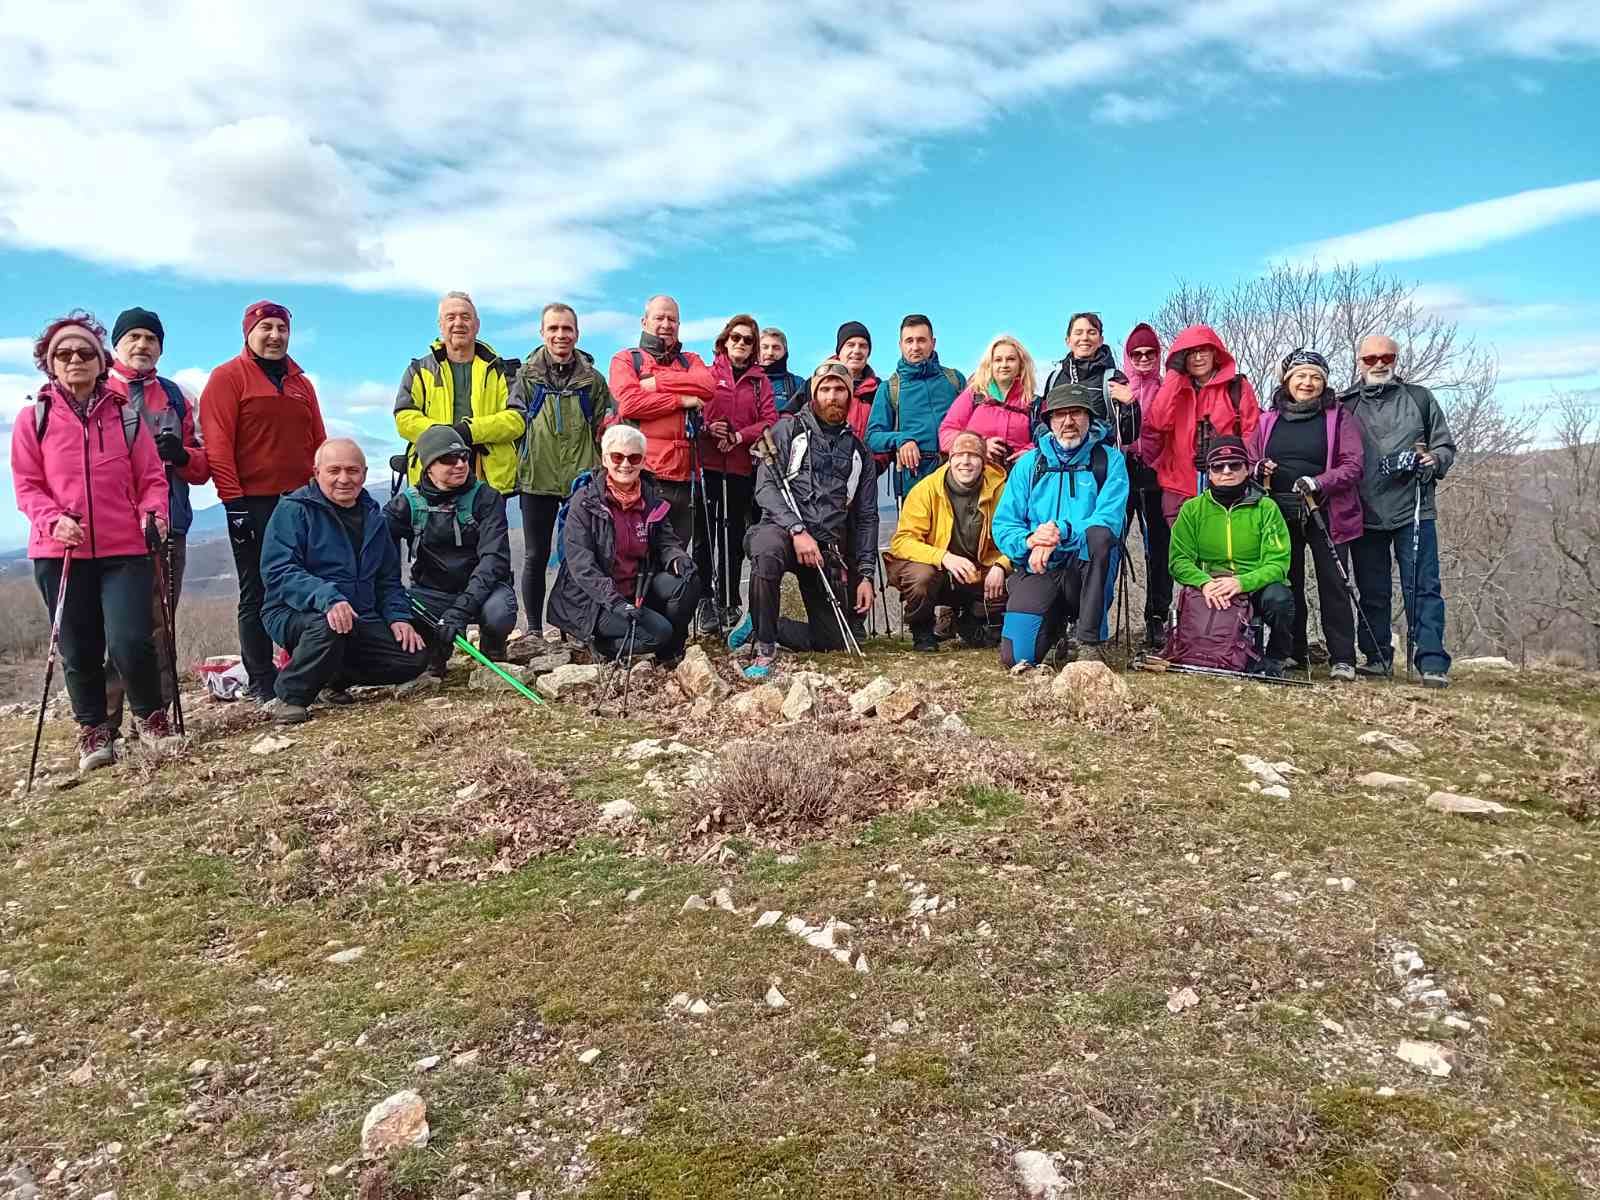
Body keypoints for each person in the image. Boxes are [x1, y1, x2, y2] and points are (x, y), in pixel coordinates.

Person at [10, 311, 177, 769]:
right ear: (50, 364)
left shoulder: (125, 416)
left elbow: (151, 479)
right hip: (60, 550)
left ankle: (151, 718)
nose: (75, 360)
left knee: (130, 639)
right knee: (78, 646)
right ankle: (94, 730)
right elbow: (26, 485)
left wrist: (153, 515)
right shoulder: (33, 419)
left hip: (124, 547)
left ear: (101, 361)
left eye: (85, 352)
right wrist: (51, 520)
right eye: (63, 354)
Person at [200, 301, 328, 704]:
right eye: (266, 328)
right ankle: (260, 678)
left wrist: (322, 489)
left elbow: (318, 439)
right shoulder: (227, 378)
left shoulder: (300, 383)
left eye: (282, 328)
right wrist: (232, 502)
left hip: (301, 500)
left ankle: (302, 665)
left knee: (304, 581)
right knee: (256, 588)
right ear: (248, 333)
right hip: (251, 501)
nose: (275, 335)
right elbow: (218, 445)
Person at [259, 439, 428, 723]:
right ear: (317, 473)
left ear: (363, 473)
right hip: (294, 612)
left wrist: (398, 617)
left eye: (352, 470)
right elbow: (279, 571)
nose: (343, 479)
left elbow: (387, 580)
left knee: (415, 655)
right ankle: (291, 695)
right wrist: (328, 598)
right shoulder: (294, 510)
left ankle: (332, 678)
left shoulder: (375, 518)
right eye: (334, 470)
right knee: (329, 627)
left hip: (359, 615)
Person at [729, 360, 878, 681]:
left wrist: (866, 574)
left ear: (850, 397)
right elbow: (765, 488)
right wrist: (796, 530)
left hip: (824, 544)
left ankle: (765, 620)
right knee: (767, 551)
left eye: (840, 389)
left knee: (833, 641)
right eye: (825, 389)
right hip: (779, 530)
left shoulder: (859, 452)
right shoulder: (786, 431)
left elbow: (866, 516)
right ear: (814, 394)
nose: (833, 396)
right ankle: (764, 647)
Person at [104, 306, 210, 726]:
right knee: (111, 626)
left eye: (151, 339)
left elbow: (204, 467)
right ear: (117, 345)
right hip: (108, 529)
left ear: (161, 349)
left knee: (159, 623)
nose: (142, 345)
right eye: (134, 338)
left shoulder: (178, 397)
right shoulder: (94, 392)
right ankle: (105, 722)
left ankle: (156, 717)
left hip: (168, 525)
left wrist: (181, 456)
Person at [1340, 335, 1456, 687]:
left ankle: (1432, 661)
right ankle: (1377, 656)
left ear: (1396, 359)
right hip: (1365, 509)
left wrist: (1434, 460)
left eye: (1386, 356)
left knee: (1422, 586)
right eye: (1371, 357)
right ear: (1359, 362)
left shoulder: (1420, 399)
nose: (1379, 363)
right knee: (1372, 589)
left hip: (1415, 508)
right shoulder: (1345, 405)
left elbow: (1444, 445)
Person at [992, 383, 1129, 668]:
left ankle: (1089, 641)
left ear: (1089, 418)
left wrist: (1060, 531)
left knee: (1100, 537)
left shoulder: (1109, 461)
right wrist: (1031, 540)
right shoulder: (1029, 464)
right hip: (1039, 565)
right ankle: (1055, 630)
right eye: (1059, 415)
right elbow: (1005, 524)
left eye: (1076, 413)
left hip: (1084, 566)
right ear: (1049, 422)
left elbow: (1108, 518)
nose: (1068, 422)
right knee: (1016, 658)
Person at [1247, 349, 1364, 680]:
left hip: (1325, 510)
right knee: (1288, 581)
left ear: (1324, 382)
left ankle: (1343, 656)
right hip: (1279, 511)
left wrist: (1319, 482)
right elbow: (1252, 456)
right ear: (1287, 381)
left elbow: (1353, 465)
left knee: (1333, 583)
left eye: (1315, 377)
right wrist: (1259, 467)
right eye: (1300, 376)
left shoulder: (1338, 418)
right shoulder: (1268, 420)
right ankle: (1291, 652)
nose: (1307, 383)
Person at [547, 425, 701, 663]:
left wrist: (677, 558)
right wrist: (616, 603)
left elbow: (665, 540)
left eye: (634, 457)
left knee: (687, 583)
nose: (625, 464)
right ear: (605, 459)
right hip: (596, 601)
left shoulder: (650, 497)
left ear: (642, 462)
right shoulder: (585, 502)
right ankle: (602, 645)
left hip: (638, 589)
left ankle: (669, 654)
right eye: (617, 457)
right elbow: (582, 566)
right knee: (657, 633)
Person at [510, 302, 614, 642]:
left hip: (581, 481)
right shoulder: (526, 376)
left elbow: (604, 425)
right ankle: (535, 630)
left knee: (578, 556)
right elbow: (512, 423)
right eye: (553, 328)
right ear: (542, 333)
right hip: (536, 479)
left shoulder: (592, 381)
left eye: (566, 329)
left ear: (577, 334)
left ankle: (574, 627)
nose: (560, 335)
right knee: (535, 554)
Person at [385, 424, 516, 671]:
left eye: (464, 456)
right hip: (430, 593)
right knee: (404, 613)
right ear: (428, 467)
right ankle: (435, 649)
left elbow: (493, 560)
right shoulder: (405, 505)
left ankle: (493, 646)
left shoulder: (487, 498)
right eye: (447, 459)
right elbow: (381, 562)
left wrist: (460, 610)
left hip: (484, 590)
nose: (459, 464)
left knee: (499, 613)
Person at [1168, 437, 1294, 677]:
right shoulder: (1192, 510)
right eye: (1218, 466)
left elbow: (1278, 564)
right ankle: (1200, 651)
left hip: (1254, 584)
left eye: (1234, 465)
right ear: (1209, 473)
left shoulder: (1267, 508)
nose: (1226, 471)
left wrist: (1241, 583)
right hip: (1211, 586)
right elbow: (1178, 561)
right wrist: (1204, 583)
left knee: (1279, 598)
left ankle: (1276, 658)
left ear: (1247, 469)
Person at [886, 431, 1010, 651]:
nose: (965, 461)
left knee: (1012, 584)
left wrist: (1002, 564)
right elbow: (902, 541)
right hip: (938, 571)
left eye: (973, 456)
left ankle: (969, 618)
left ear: (983, 462)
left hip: (979, 571)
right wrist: (943, 557)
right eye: (959, 455)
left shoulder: (1002, 489)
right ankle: (922, 630)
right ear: (950, 459)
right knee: (921, 576)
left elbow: (1016, 533)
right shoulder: (926, 489)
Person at [608, 295, 717, 544]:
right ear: (644, 321)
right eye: (660, 317)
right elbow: (630, 404)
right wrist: (681, 400)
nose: (667, 324)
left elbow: (707, 385)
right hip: (646, 478)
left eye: (673, 319)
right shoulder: (626, 359)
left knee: (676, 559)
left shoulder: (691, 360)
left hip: (687, 479)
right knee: (641, 560)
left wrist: (657, 383)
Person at [394, 291, 526, 495]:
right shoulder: (419, 370)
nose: (458, 323)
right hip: (433, 477)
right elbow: (404, 418)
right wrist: (444, 436)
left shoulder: (502, 370)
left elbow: (516, 420)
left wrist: (469, 431)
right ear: (441, 325)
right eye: (451, 317)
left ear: (477, 325)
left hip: (489, 481)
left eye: (466, 317)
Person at [696, 315, 777, 633]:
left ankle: (728, 601)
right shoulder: (705, 373)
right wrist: (707, 428)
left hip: (742, 467)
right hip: (708, 465)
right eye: (736, 338)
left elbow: (769, 418)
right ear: (724, 340)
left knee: (732, 536)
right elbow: (694, 411)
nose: (741, 344)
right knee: (705, 538)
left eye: (748, 340)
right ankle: (705, 600)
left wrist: (739, 437)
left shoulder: (760, 381)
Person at [1144, 324, 1260, 525]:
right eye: (1190, 353)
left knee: (1223, 551)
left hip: (1226, 483)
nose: (1197, 358)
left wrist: (1239, 470)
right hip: (1179, 487)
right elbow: (1158, 422)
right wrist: (1173, 374)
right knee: (1183, 553)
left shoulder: (1237, 387)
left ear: (1215, 353)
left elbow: (1251, 433)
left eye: (1203, 350)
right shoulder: (1174, 389)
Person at [866, 314, 966, 500]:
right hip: (915, 483)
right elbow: (872, 437)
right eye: (909, 341)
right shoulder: (890, 388)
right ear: (900, 345)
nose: (915, 347)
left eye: (921, 340)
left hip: (959, 478)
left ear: (933, 342)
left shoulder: (954, 380)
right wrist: (902, 439)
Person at [1122, 322, 1172, 647]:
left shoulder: (1168, 388)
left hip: (1157, 477)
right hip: (1122, 475)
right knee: (1112, 546)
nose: (1143, 358)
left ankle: (1157, 617)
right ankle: (1094, 618)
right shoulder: (1115, 386)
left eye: (1149, 353)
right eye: (1136, 353)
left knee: (1159, 550)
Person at [938, 334, 1036, 466]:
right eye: (998, 360)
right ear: (989, 364)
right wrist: (979, 445)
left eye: (1011, 359)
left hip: (1018, 476)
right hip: (976, 476)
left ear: (1021, 364)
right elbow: (946, 434)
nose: (1004, 365)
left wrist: (1031, 453)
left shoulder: (1033, 403)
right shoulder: (974, 395)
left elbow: (1049, 438)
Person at [830, 320, 881, 439]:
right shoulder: (818, 383)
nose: (857, 351)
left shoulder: (879, 389)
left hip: (867, 456)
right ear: (839, 350)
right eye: (850, 345)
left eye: (863, 346)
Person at [760, 327, 809, 416]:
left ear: (785, 352)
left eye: (776, 348)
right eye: (765, 347)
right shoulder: (745, 382)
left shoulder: (798, 384)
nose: (770, 352)